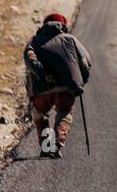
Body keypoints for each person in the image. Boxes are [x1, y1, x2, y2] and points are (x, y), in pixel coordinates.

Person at [23, 12, 91, 158]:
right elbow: (85, 62)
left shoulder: (34, 41)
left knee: (40, 114)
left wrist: (41, 73)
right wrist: (81, 82)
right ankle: (57, 145)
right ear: (63, 25)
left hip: (42, 89)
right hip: (65, 88)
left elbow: (29, 57)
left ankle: (46, 147)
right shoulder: (70, 40)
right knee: (64, 113)